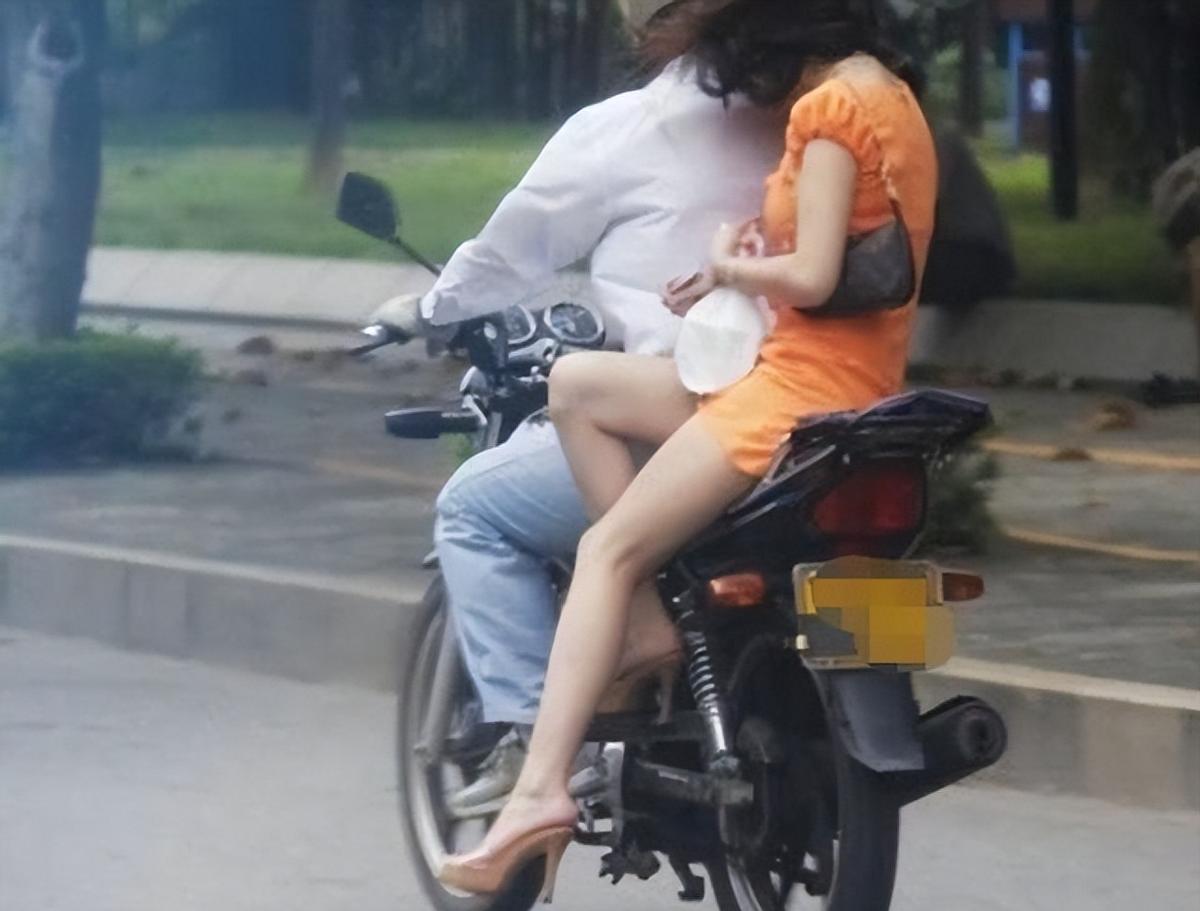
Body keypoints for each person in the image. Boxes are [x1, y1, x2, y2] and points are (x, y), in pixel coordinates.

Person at [438, 0, 938, 901]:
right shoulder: (892, 99)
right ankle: (643, 630)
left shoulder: (826, 109)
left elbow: (815, 276)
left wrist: (727, 266)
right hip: (856, 385)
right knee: (577, 384)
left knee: (606, 548)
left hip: (789, 394)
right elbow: (859, 263)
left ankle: (542, 787)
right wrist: (757, 252)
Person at [371, 0, 783, 815]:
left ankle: (540, 746)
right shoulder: (820, 118)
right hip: (816, 409)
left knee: (472, 509)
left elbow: (514, 247)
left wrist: (430, 309)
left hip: (684, 415)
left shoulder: (630, 127)